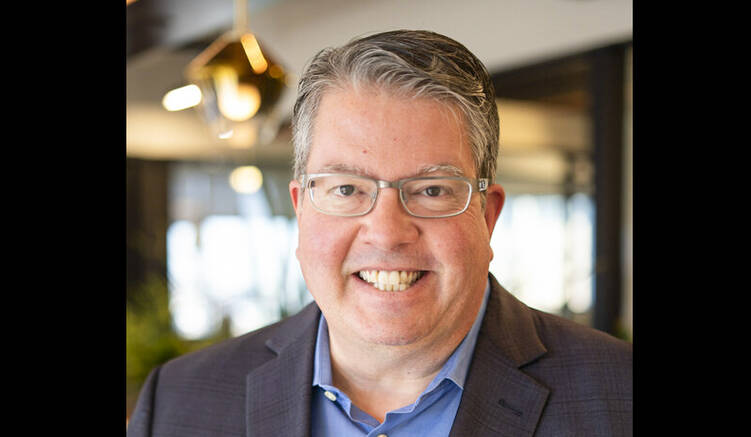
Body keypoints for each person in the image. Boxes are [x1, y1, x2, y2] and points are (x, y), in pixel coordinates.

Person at [127, 29, 632, 437]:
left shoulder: (621, 398)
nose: (387, 234)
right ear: (301, 210)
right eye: (347, 189)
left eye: (432, 190)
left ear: (487, 216)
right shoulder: (179, 402)